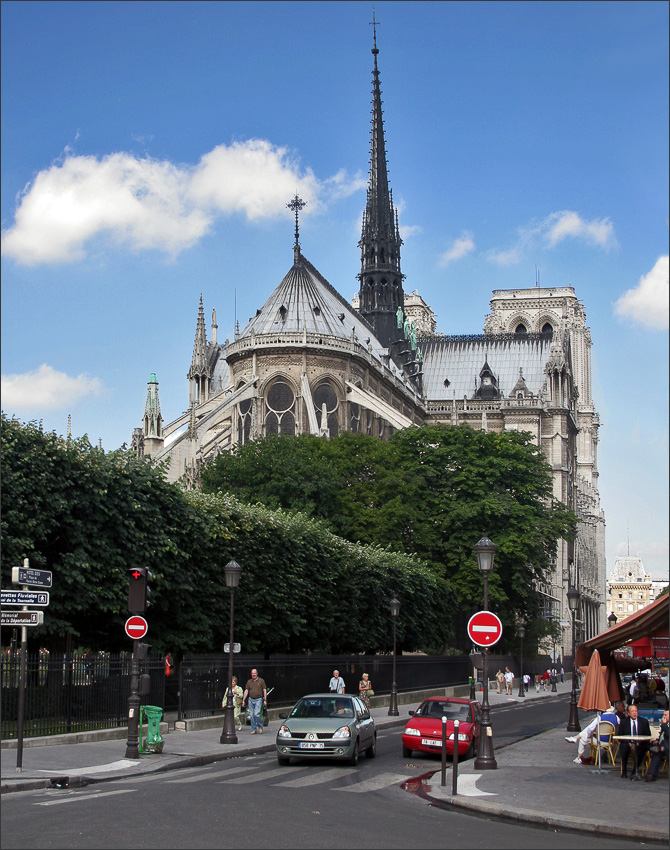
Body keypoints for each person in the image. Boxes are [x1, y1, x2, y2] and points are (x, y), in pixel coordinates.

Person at [618, 704, 651, 779]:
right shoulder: (623, 722)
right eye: (632, 711)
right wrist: (629, 743)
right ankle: (624, 770)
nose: (634, 713)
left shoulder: (644, 722)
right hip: (628, 743)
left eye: (635, 711)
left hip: (640, 743)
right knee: (624, 747)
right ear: (628, 713)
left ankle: (634, 770)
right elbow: (620, 736)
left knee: (641, 750)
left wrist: (639, 742)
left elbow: (648, 736)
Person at [645, 709, 669, 782]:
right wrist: (657, 741)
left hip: (668, 747)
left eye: (666, 715)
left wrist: (664, 724)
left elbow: (668, 733)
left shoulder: (665, 725)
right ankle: (651, 774)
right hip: (662, 746)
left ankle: (652, 774)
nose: (663, 717)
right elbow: (662, 736)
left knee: (659, 750)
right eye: (663, 715)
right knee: (657, 752)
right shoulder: (665, 724)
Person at [242, 668, 267, 735]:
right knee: (251, 715)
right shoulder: (249, 682)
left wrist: (265, 700)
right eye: (252, 673)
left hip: (258, 699)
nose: (253, 675)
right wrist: (243, 700)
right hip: (251, 699)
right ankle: (254, 729)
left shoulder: (261, 681)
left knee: (256, 714)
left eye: (254, 673)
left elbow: (264, 690)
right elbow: (246, 691)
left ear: (257, 673)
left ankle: (260, 726)